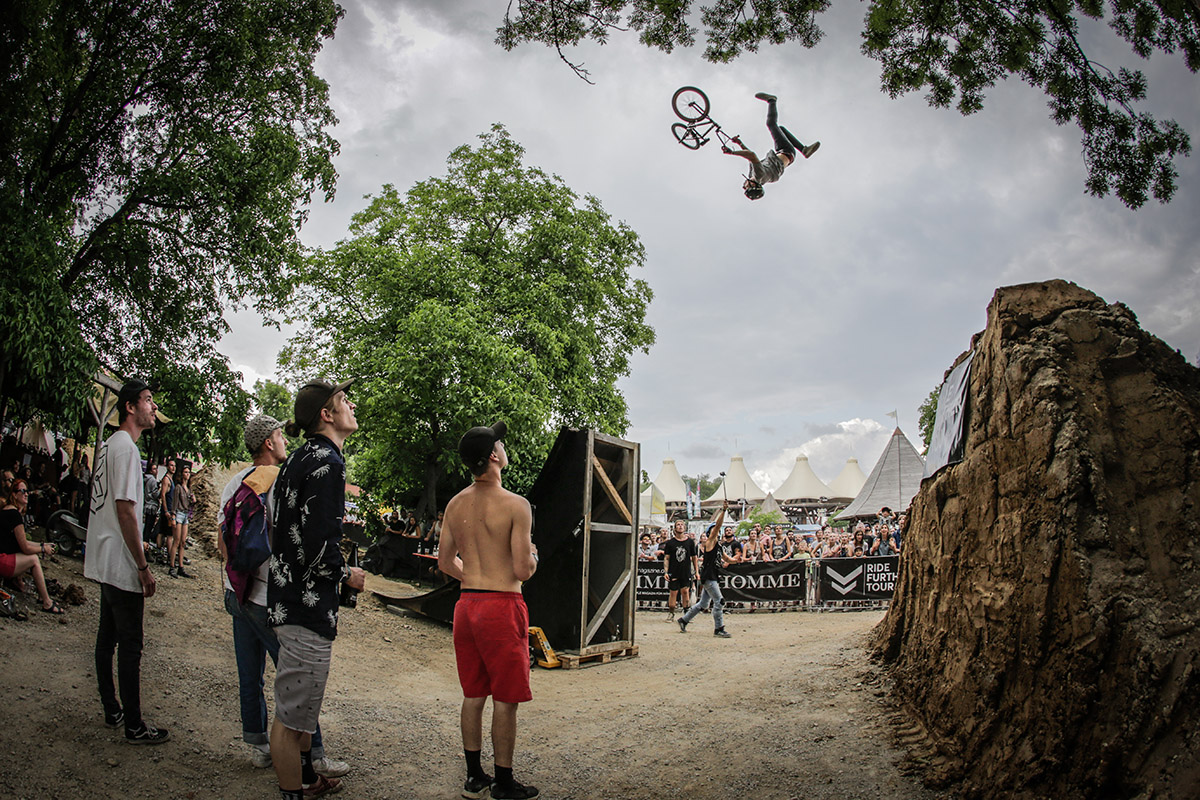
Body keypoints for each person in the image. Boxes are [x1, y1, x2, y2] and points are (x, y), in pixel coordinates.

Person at [218, 414, 349, 778]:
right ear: (268, 442)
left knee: (250, 674)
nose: (285, 441)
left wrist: (235, 580)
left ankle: (259, 746)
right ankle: (313, 757)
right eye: (279, 435)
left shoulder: (235, 482)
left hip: (236, 591)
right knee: (298, 682)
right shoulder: (278, 479)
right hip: (266, 596)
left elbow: (222, 542)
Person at [268, 379, 365, 799]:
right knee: (291, 721)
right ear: (327, 415)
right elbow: (318, 547)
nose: (351, 405)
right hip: (305, 608)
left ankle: (307, 778)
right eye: (343, 400)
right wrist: (346, 575)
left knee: (301, 709)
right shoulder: (329, 462)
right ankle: (295, 791)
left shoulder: (300, 457)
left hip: (288, 599)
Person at [438, 421, 539, 800]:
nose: (504, 448)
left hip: (468, 605)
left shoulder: (455, 503)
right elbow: (522, 570)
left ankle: (473, 777)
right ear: (494, 456)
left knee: (474, 693)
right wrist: (535, 557)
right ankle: (504, 782)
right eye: (500, 444)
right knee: (506, 699)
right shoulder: (516, 504)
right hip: (502, 605)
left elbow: (444, 561)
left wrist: (474, 578)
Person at [84, 378, 169, 744]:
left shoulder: (110, 446)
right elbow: (125, 509)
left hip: (107, 555)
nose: (154, 407)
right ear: (131, 407)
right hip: (121, 561)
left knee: (107, 637)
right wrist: (142, 565)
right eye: (148, 400)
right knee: (130, 644)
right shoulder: (126, 450)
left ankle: (112, 708)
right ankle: (134, 725)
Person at [723, 92, 820, 200]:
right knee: (771, 124)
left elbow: (749, 157)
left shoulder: (754, 175)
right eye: (746, 188)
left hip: (785, 153)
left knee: (780, 129)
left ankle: (803, 149)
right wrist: (731, 152)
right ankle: (772, 100)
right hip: (786, 151)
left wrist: (740, 143)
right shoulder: (759, 175)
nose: (743, 186)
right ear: (753, 185)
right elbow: (752, 155)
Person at [1, 479, 63, 613]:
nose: (26, 494)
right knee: (33, 559)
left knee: (31, 555)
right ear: (14, 494)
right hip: (2, 560)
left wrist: (43, 544)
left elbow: (23, 541)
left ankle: (38, 593)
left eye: (27, 491)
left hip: (4, 557)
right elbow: (25, 547)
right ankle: (47, 602)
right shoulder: (14, 515)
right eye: (22, 491)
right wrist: (43, 549)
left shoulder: (9, 511)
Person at [678, 501, 732, 638]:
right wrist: (723, 511)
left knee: (703, 603)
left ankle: (684, 620)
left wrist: (740, 560)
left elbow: (727, 559)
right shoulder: (710, 542)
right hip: (709, 576)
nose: (717, 532)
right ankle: (719, 628)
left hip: (713, 576)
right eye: (714, 531)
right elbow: (718, 525)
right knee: (719, 601)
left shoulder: (719, 546)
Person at [661, 519, 697, 621]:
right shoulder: (670, 543)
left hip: (685, 571)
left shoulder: (690, 542)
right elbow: (666, 558)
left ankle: (687, 614)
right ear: (675, 528)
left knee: (685, 592)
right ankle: (671, 612)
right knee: (673, 592)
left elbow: (694, 557)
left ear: (685, 528)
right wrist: (666, 571)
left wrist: (696, 571)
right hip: (674, 571)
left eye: (682, 525)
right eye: (678, 525)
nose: (680, 526)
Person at [168, 464, 193, 578]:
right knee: (176, 541)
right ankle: (172, 566)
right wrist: (173, 516)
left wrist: (193, 500)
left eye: (188, 472)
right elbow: (174, 502)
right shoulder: (178, 487)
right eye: (185, 472)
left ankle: (181, 567)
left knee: (183, 542)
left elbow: (190, 504)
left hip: (186, 515)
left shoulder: (189, 489)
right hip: (178, 513)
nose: (187, 474)